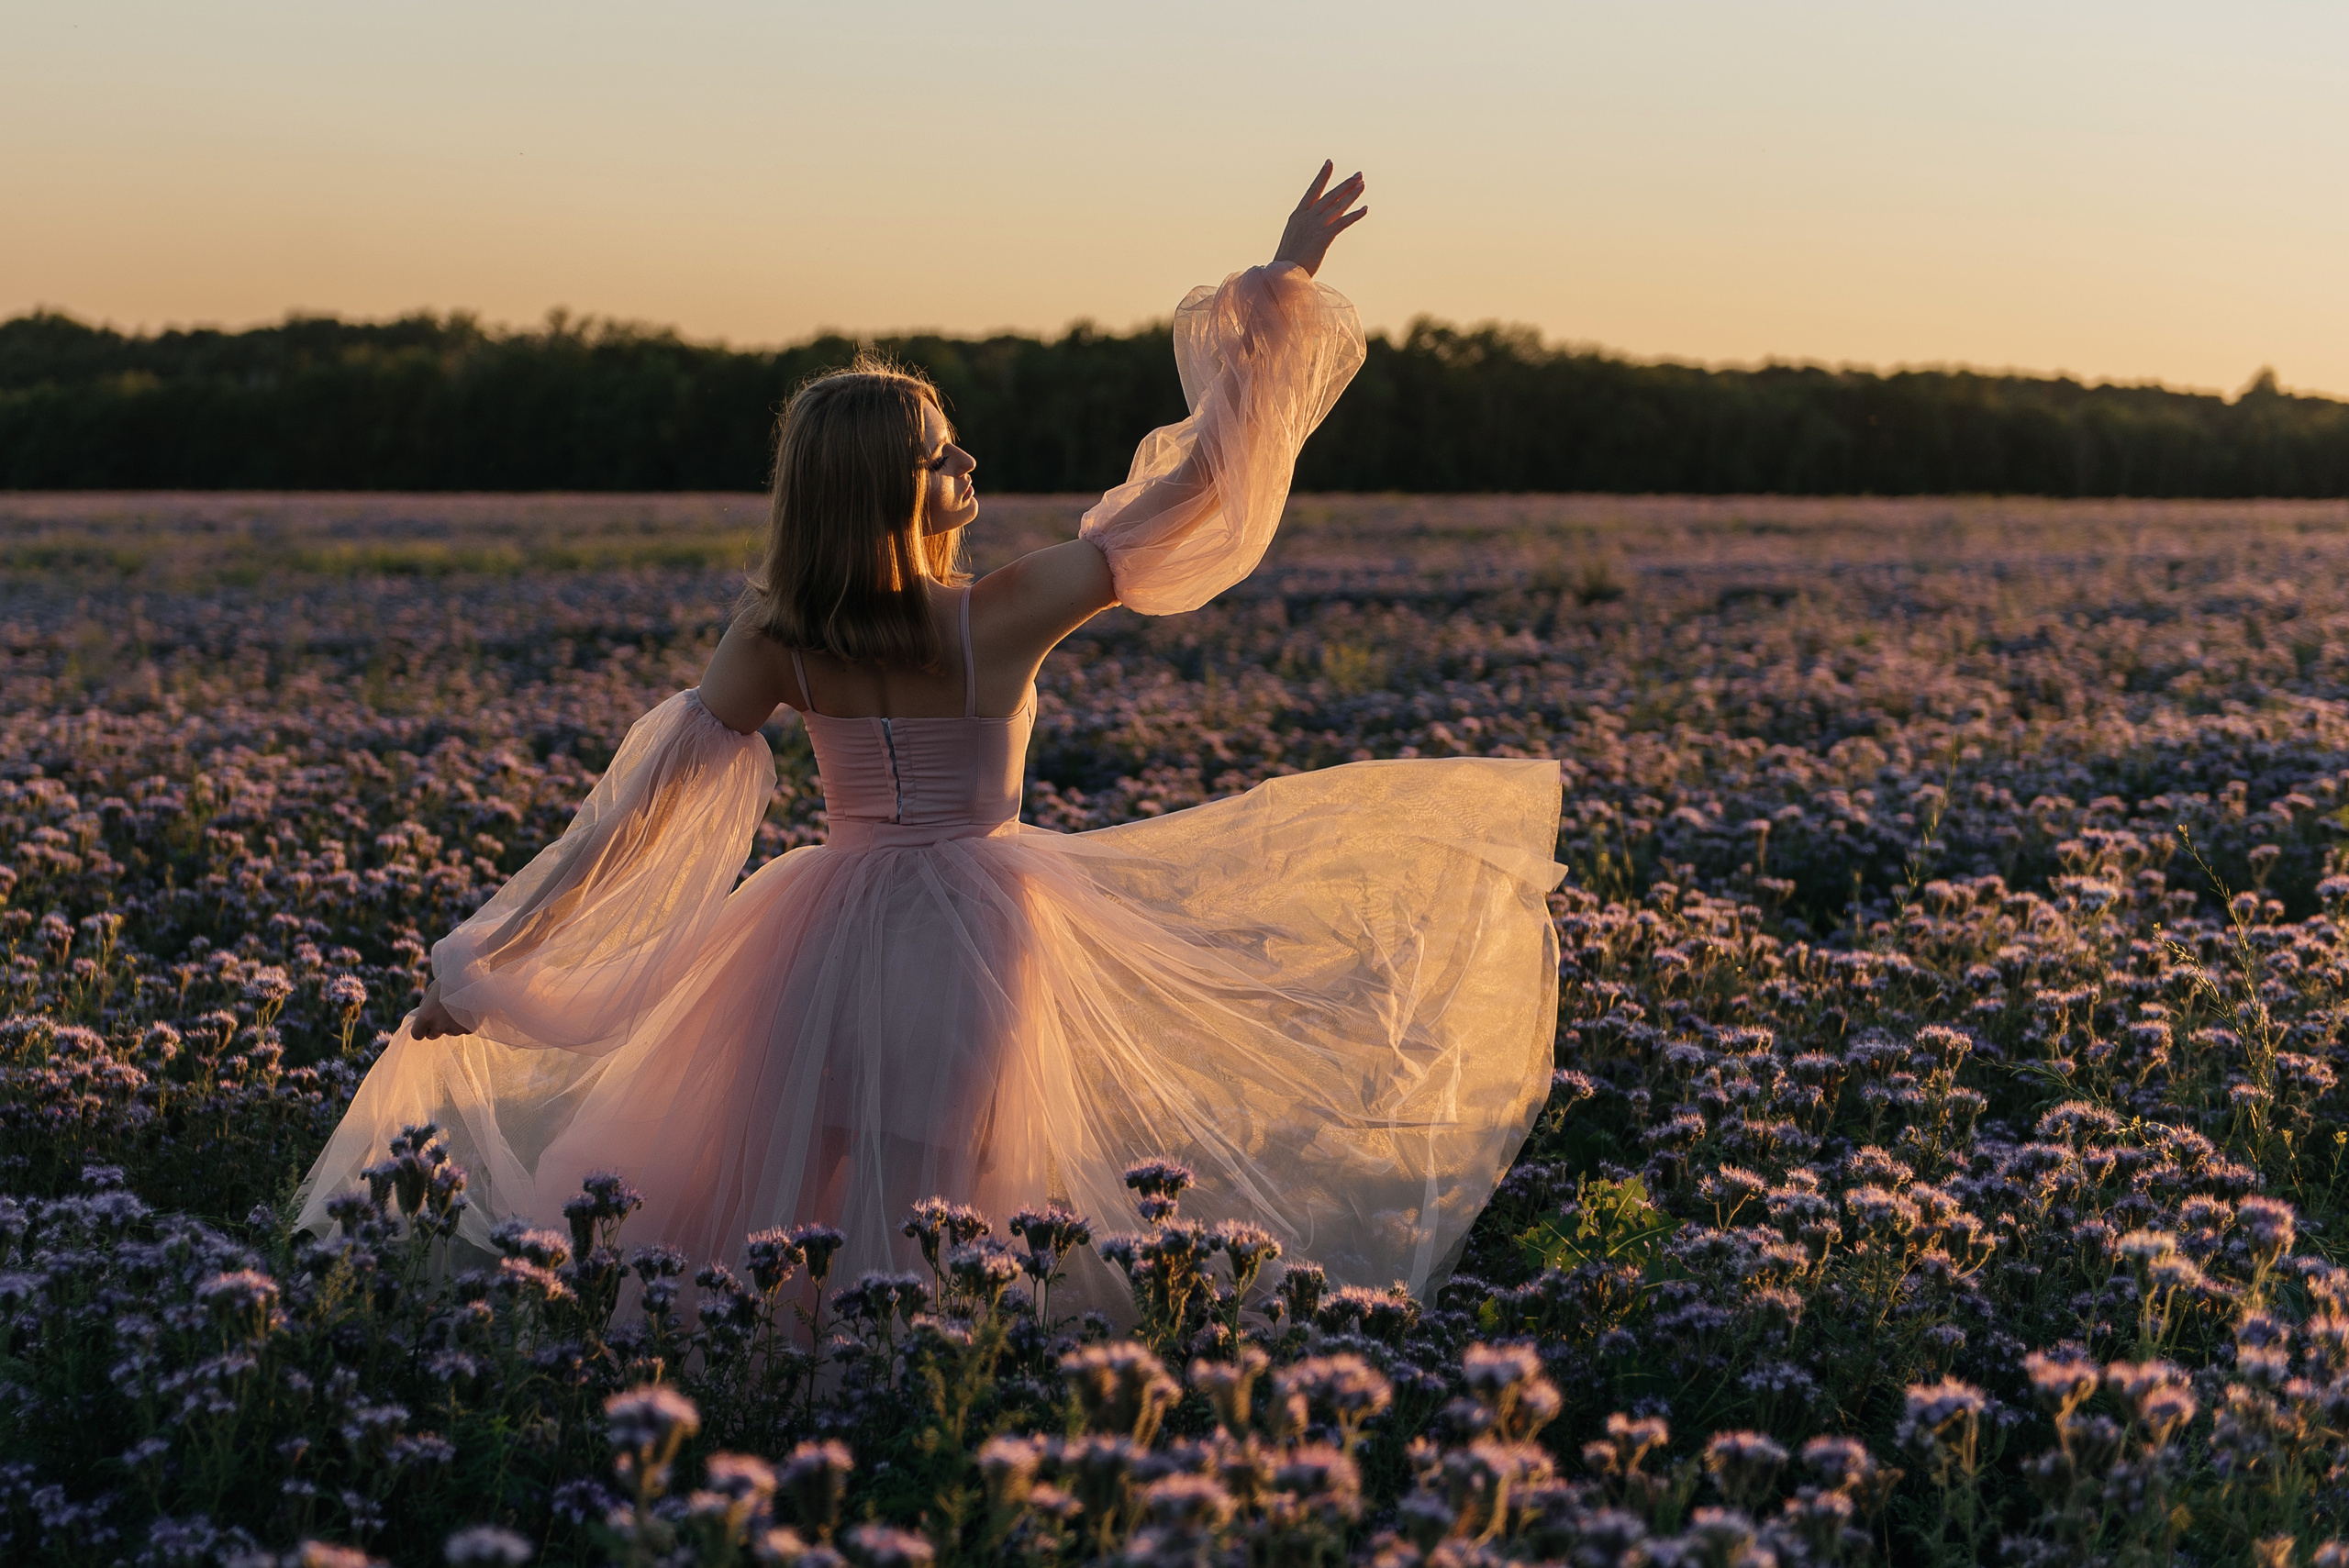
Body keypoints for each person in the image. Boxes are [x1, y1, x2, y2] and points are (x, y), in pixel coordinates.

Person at [294, 163, 1564, 1309]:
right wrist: (1279, 292)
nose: (969, 463)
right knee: (941, 1195)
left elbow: (634, 823)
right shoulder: (999, 615)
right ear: (895, 488)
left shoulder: (781, 633)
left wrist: (496, 957)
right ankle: (901, 1387)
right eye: (944, 455)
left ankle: (769, 1387)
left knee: (789, 1188)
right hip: (980, 936)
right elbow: (1202, 488)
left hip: (811, 935)